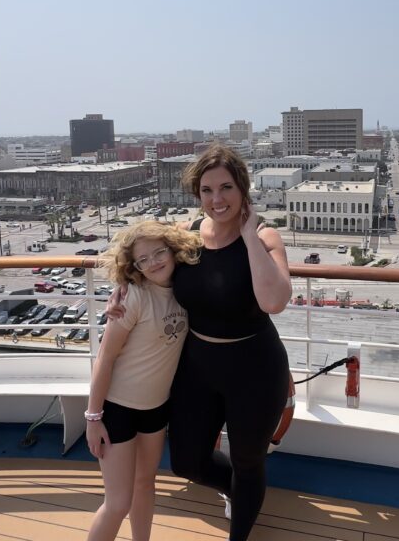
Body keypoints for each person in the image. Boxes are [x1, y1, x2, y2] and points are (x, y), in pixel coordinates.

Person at [107, 145, 292, 540]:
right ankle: (239, 493)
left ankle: (239, 527)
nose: (217, 199)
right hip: (197, 367)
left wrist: (248, 236)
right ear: (197, 194)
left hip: (255, 368)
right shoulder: (187, 237)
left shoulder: (264, 236)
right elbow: (149, 262)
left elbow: (274, 301)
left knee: (248, 461)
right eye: (207, 190)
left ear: (243, 188)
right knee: (187, 462)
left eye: (226, 187)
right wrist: (123, 287)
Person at [85, 220, 202, 541]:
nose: (153, 263)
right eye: (143, 259)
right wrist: (93, 417)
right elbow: (105, 359)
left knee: (145, 484)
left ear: (173, 250)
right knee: (118, 502)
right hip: (118, 409)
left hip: (156, 408)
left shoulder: (186, 292)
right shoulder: (133, 297)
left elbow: (199, 230)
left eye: (159, 252)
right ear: (133, 265)